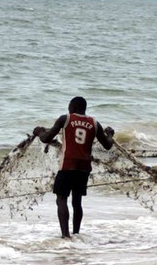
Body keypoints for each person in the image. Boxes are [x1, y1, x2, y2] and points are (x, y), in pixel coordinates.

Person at [33, 96, 115, 239]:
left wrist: (39, 132)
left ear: (75, 107)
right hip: (84, 167)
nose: (68, 109)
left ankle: (65, 236)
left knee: (61, 199)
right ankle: (76, 233)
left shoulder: (65, 119)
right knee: (77, 201)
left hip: (67, 165)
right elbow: (108, 145)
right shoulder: (95, 123)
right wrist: (110, 134)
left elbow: (46, 138)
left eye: (70, 106)